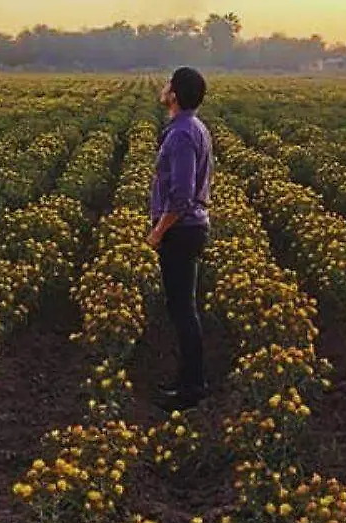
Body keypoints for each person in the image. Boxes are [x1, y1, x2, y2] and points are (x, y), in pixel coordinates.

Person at [147, 66, 212, 412]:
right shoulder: (192, 127)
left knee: (183, 309)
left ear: (175, 94)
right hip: (188, 228)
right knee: (181, 307)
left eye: (168, 83)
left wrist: (158, 231)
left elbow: (182, 195)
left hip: (182, 230)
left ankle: (192, 388)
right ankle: (186, 380)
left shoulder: (182, 134)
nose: (164, 87)